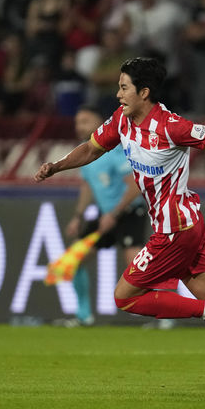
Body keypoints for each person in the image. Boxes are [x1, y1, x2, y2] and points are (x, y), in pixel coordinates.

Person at [34, 57, 205, 354]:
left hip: (175, 230)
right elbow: (92, 148)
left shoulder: (171, 127)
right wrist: (57, 166)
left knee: (124, 297)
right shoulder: (121, 119)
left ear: (144, 92)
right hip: (185, 224)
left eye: (123, 88)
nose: (118, 95)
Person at [55, 105, 148, 327]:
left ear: (100, 122)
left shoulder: (115, 150)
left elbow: (136, 185)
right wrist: (78, 215)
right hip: (107, 215)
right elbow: (88, 185)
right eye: (77, 122)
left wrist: (114, 214)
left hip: (129, 213)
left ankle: (165, 316)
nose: (80, 126)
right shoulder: (85, 152)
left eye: (85, 121)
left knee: (139, 269)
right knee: (73, 260)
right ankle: (84, 316)